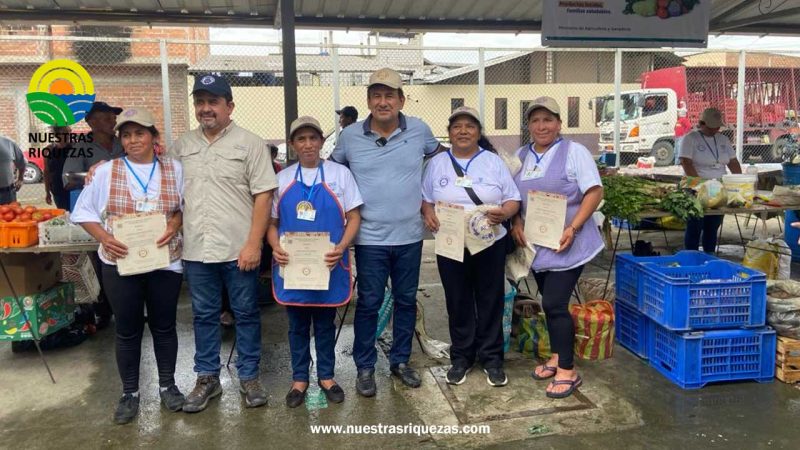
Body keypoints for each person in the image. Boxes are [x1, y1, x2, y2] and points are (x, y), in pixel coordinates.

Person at [331, 68, 442, 397]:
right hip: (369, 239)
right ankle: (365, 367)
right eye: (376, 96)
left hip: (410, 236)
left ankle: (400, 361)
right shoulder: (349, 137)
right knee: (369, 303)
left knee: (406, 301)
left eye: (389, 95)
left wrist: (428, 201)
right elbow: (335, 175)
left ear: (401, 100)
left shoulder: (420, 130)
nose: (383, 102)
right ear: (368, 101)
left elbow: (439, 164)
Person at [71, 108, 185, 424]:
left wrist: (175, 224)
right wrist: (105, 238)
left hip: (165, 262)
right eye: (127, 134)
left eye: (140, 133)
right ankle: (130, 392)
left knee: (164, 326)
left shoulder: (174, 170)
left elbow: (184, 207)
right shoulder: (107, 171)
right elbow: (84, 213)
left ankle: (168, 385)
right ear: (121, 139)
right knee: (127, 328)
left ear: (153, 137)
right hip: (120, 262)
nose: (133, 140)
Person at [171, 73, 277, 412]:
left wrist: (254, 244)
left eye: (213, 102)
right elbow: (166, 192)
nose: (206, 109)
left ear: (229, 106)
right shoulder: (182, 146)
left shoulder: (250, 143)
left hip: (238, 248)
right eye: (200, 102)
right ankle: (207, 379)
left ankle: (249, 376)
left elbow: (264, 197)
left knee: (245, 313)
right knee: (203, 315)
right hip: (197, 250)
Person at [510, 96, 604, 399]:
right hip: (537, 246)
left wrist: (573, 227)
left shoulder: (574, 152)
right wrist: (516, 223)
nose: (541, 126)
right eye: (535, 120)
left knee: (553, 303)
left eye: (548, 120)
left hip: (569, 243)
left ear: (559, 123)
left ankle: (568, 370)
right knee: (550, 303)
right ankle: (558, 355)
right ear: (529, 126)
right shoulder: (520, 156)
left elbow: (594, 191)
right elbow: (512, 196)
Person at [421, 107, 520, 387]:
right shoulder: (438, 163)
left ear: (478, 132)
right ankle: (461, 357)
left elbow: (513, 198)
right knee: (457, 298)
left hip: (489, 241)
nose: (463, 131)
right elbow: (426, 198)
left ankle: (491, 358)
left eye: (470, 126)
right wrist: (428, 213)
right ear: (449, 132)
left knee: (490, 298)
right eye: (457, 126)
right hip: (451, 242)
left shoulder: (493, 162)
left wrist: (506, 212)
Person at [268, 116, 363, 407]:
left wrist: (342, 246)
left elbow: (355, 216)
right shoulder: (281, 179)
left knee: (324, 323)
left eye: (313, 138)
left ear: (322, 141)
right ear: (293, 144)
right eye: (301, 139)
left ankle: (327, 376)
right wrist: (274, 247)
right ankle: (299, 379)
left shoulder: (340, 174)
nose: (307, 144)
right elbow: (271, 222)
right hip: (293, 266)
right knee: (296, 325)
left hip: (328, 264)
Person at [679, 107, 743, 253]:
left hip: (718, 186)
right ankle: (691, 254)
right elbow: (686, 163)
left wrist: (739, 181)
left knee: (713, 223)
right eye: (712, 127)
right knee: (695, 223)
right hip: (695, 186)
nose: (715, 130)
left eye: (717, 127)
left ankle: (709, 253)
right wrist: (700, 186)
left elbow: (733, 162)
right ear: (702, 124)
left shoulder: (723, 139)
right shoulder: (690, 138)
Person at [63, 101, 125, 191]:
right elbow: (68, 179)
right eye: (108, 119)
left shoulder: (122, 143)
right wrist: (93, 175)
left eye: (114, 118)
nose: (114, 123)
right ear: (92, 123)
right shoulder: (81, 146)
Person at [43, 125, 72, 209]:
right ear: (57, 134)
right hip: (57, 187)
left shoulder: (74, 147)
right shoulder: (49, 150)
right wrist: (47, 192)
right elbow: (46, 172)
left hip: (72, 187)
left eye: (68, 132)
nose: (68, 135)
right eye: (64, 133)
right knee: (63, 212)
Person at [0, 134, 25, 204]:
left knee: (11, 214)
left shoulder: (8, 142)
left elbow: (22, 163)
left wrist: (20, 179)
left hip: (7, 194)